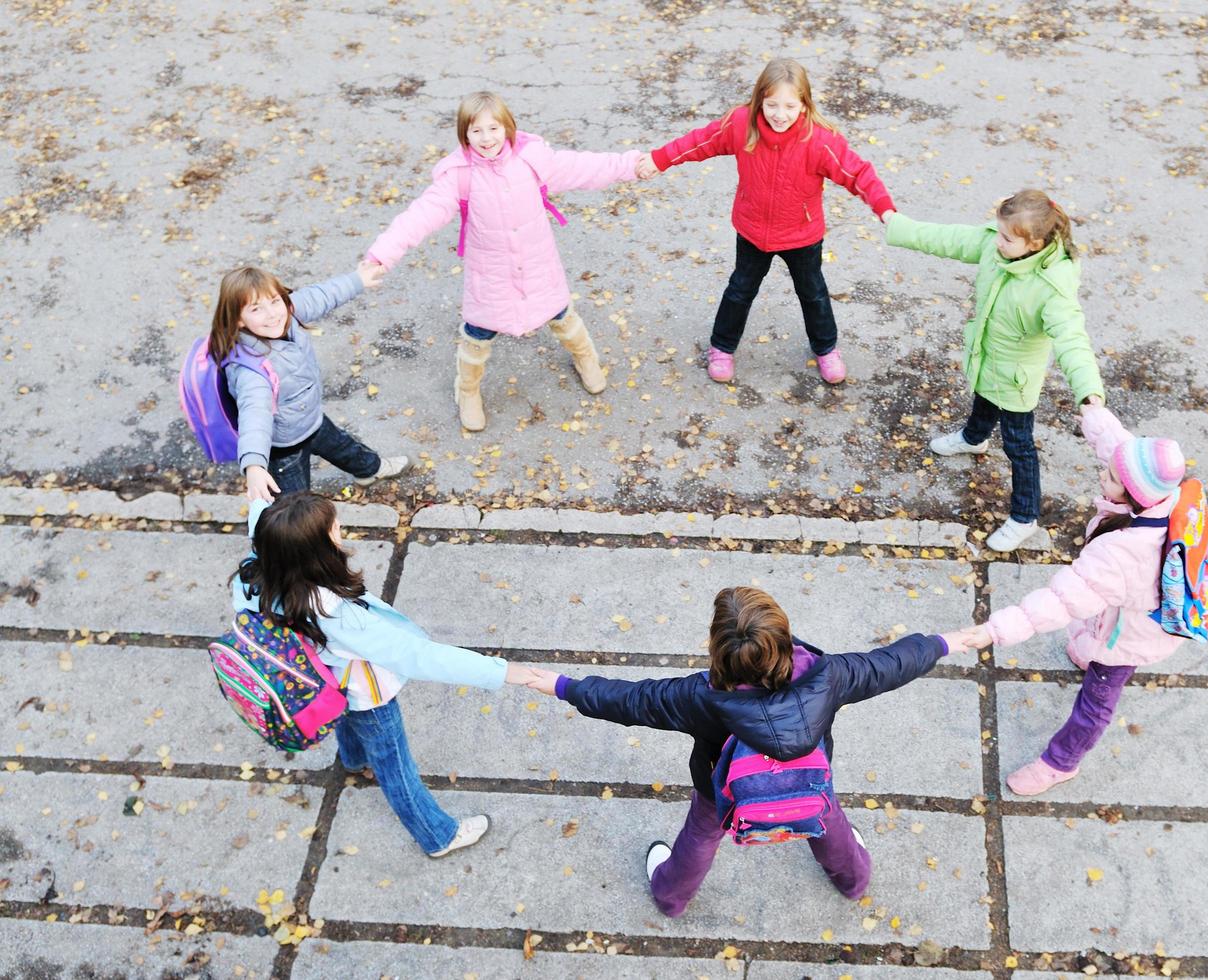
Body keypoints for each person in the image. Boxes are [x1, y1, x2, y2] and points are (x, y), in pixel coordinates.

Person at [519, 586, 983, 916]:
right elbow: (892, 663)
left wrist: (564, 686)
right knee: (826, 819)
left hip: (724, 789)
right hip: (809, 780)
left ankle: (671, 896)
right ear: (782, 638)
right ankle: (852, 880)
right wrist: (946, 642)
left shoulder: (697, 697)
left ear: (718, 651)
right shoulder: (832, 676)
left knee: (702, 835)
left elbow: (629, 700)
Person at [231, 491, 536, 854]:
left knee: (345, 718)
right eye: (335, 528)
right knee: (396, 769)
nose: (340, 529)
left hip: (322, 684)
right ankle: (438, 835)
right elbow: (419, 655)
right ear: (318, 549)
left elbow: (259, 522)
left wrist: (254, 466)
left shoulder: (256, 575)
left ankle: (354, 759)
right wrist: (503, 672)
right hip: (367, 696)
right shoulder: (340, 616)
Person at [366, 91, 641, 430]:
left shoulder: (532, 160)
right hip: (491, 274)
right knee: (478, 332)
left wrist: (631, 165)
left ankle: (586, 358)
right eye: (476, 131)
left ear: (508, 127)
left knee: (560, 312)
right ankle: (467, 390)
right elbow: (419, 216)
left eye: (493, 128)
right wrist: (382, 254)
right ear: (464, 135)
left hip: (538, 264)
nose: (486, 138)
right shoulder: (459, 176)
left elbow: (585, 167)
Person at [969, 405, 1189, 796]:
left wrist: (995, 630)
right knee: (1093, 639)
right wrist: (1095, 413)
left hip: (1128, 639)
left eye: (1110, 478)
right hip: (1127, 612)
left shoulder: (1123, 554)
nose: (1102, 475)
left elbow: (1061, 600)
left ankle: (1060, 763)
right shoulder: (1162, 497)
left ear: (1133, 496)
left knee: (1096, 704)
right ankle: (1089, 654)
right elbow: (1119, 450)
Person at [637, 58, 896, 385]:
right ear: (760, 99)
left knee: (812, 292)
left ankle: (826, 348)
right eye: (771, 104)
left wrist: (885, 210)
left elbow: (857, 173)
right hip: (753, 230)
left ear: (804, 105)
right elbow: (699, 142)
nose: (780, 114)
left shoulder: (819, 140)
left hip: (801, 235)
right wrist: (659, 159)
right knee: (740, 290)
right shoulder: (740, 125)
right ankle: (721, 347)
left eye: (790, 105)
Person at [884, 190, 1105, 551]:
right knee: (984, 401)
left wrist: (1088, 390)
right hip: (987, 357)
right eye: (999, 232)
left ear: (1034, 243)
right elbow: (950, 239)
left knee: (1019, 446)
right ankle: (974, 438)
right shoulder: (997, 245)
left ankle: (1024, 516)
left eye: (1006, 237)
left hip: (1017, 381)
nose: (997, 240)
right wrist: (900, 226)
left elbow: (1071, 338)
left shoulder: (1052, 288)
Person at [209, 264, 407, 502]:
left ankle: (370, 470)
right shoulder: (252, 370)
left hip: (310, 418)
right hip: (285, 446)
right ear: (238, 320)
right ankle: (289, 537)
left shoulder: (286, 314)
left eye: (274, 301)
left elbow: (320, 296)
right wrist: (254, 465)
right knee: (295, 505)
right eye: (256, 309)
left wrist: (358, 280)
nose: (272, 313)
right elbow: (255, 415)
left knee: (344, 447)